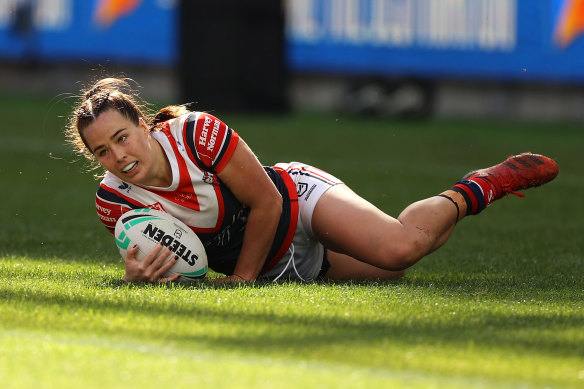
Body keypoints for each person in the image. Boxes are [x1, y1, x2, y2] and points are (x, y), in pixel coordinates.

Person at [65, 77, 559, 284]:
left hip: (295, 202)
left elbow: (266, 203)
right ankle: (460, 198)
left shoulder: (197, 134)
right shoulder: (114, 204)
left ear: (144, 124)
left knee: (400, 248)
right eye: (102, 151)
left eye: (123, 137)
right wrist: (142, 279)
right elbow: (179, 266)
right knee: (395, 274)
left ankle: (482, 186)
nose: (118, 156)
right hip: (274, 262)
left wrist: (241, 283)